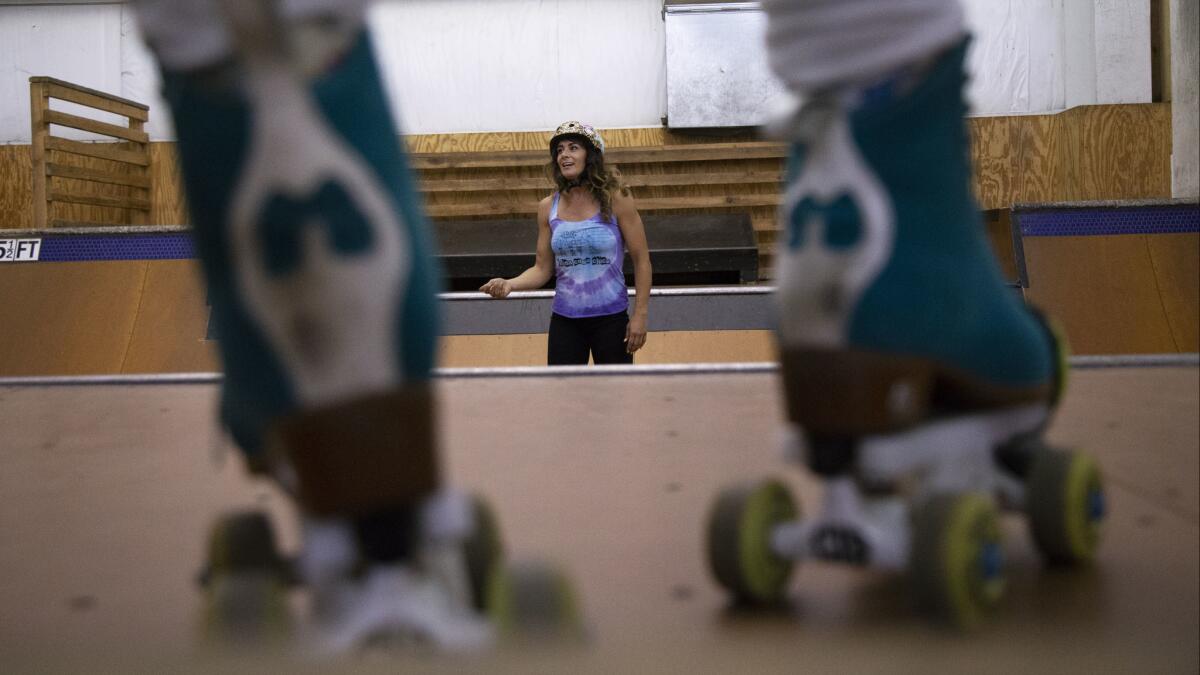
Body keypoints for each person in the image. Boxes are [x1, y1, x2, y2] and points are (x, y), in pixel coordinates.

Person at [133, 0, 490, 651]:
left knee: (392, 290)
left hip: (322, 35)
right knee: (266, 298)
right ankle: (335, 526)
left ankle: (395, 533)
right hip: (200, 54)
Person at [479, 122, 652, 366]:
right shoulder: (547, 207)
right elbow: (542, 269)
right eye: (559, 150)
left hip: (611, 320)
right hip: (566, 321)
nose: (565, 155)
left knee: (615, 397)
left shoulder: (618, 199)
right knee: (562, 396)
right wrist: (509, 284)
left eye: (573, 148)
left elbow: (642, 260)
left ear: (590, 156)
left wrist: (640, 316)